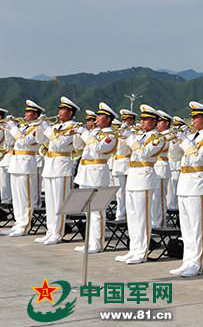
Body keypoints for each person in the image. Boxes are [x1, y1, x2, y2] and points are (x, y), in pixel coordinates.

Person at [169, 101, 203, 278]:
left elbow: (198, 159)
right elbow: (175, 158)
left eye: (196, 117)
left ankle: (197, 263)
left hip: (198, 183)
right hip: (184, 183)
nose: (193, 120)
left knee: (197, 228)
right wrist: (176, 144)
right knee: (186, 227)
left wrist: (186, 142)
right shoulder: (194, 137)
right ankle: (187, 261)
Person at [116, 104, 164, 265]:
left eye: (146, 119)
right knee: (132, 217)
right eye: (141, 119)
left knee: (142, 218)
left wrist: (131, 140)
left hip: (144, 177)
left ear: (154, 121)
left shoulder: (158, 138)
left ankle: (142, 251)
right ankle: (133, 249)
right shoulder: (139, 136)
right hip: (132, 177)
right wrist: (123, 138)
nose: (142, 122)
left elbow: (144, 154)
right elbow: (122, 152)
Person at [36, 97, 85, 245]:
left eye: (62, 110)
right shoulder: (56, 127)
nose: (59, 113)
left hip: (62, 167)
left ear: (70, 112)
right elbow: (43, 142)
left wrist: (49, 130)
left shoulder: (73, 127)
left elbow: (58, 144)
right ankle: (50, 231)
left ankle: (58, 232)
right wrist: (40, 128)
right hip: (50, 166)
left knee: (59, 203)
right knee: (50, 203)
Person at [73, 103, 118, 253]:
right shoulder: (94, 133)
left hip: (97, 174)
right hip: (85, 173)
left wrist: (85, 134)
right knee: (88, 211)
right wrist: (77, 134)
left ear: (108, 119)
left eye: (100, 116)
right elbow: (78, 147)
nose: (96, 118)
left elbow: (99, 148)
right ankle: (89, 242)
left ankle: (97, 244)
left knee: (97, 211)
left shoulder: (110, 135)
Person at [3, 100, 45, 236]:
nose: (25, 114)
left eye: (28, 112)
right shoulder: (24, 127)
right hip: (15, 163)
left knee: (26, 197)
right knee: (17, 197)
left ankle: (24, 225)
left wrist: (14, 128)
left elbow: (23, 142)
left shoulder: (37, 128)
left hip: (26, 164)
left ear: (35, 114)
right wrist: (8, 129)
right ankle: (18, 222)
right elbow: (11, 142)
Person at [112, 109, 137, 221]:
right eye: (123, 120)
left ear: (132, 120)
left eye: (127, 119)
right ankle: (120, 215)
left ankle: (125, 215)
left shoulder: (134, 132)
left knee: (127, 193)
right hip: (117, 164)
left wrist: (127, 133)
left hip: (127, 164)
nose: (125, 122)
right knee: (119, 193)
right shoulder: (119, 131)